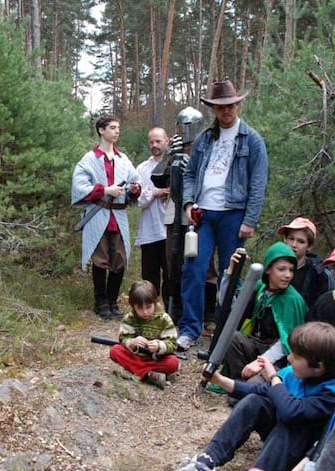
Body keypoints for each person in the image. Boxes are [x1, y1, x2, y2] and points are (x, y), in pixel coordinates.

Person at [165, 322, 335, 471]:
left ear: (319, 367)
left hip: (303, 455)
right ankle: (207, 462)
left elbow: (292, 411)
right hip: (279, 441)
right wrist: (219, 380)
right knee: (255, 401)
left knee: (291, 423)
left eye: (296, 357)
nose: (289, 358)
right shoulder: (294, 374)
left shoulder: (330, 393)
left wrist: (274, 378)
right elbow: (257, 390)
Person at [177, 79, 269, 351]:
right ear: (213, 109)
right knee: (192, 270)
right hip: (202, 215)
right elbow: (191, 173)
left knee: (231, 276)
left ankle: (226, 332)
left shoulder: (252, 140)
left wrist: (250, 219)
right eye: (220, 107)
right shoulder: (205, 138)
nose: (225, 111)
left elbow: (258, 182)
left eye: (230, 105)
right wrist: (188, 203)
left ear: (238, 104)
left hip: (234, 215)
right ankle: (190, 328)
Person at [72, 115, 141, 319]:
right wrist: (105, 190)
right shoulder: (89, 159)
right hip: (98, 214)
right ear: (101, 130)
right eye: (112, 127)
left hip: (118, 216)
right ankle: (100, 303)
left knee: (119, 259)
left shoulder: (123, 159)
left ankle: (112, 302)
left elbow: (135, 182)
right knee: (100, 260)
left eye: (118, 127)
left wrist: (135, 189)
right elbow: (79, 187)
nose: (117, 131)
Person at [219, 242, 307, 381]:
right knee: (234, 337)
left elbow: (288, 342)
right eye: (282, 269)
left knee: (253, 387)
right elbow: (229, 306)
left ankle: (247, 386)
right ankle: (237, 381)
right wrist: (230, 272)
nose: (288, 275)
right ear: (268, 270)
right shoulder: (261, 288)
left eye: (291, 270)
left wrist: (261, 362)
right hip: (256, 346)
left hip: (278, 360)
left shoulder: (292, 299)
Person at [109, 280, 179, 388]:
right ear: (133, 306)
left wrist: (159, 345)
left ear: (155, 303)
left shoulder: (164, 319)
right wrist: (132, 342)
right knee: (115, 351)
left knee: (173, 362)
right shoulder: (130, 318)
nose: (145, 312)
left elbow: (172, 344)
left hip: (155, 359)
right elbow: (123, 338)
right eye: (140, 308)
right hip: (136, 356)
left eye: (148, 307)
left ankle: (134, 371)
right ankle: (148, 375)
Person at [136, 127, 170, 298]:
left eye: (158, 141)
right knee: (149, 277)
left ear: (167, 141)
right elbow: (138, 200)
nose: (154, 145)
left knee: (171, 275)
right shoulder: (142, 169)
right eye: (151, 142)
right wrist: (155, 192)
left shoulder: (176, 164)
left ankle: (171, 313)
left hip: (170, 230)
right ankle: (150, 312)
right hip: (149, 231)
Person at [278, 217, 333, 309]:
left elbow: (326, 306)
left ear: (309, 246)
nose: (294, 245)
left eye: (301, 241)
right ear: (285, 240)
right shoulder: (274, 266)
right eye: (291, 239)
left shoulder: (319, 273)